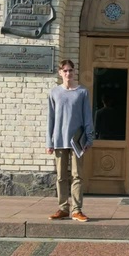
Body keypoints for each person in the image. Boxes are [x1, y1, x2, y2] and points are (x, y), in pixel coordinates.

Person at [46, 59, 94, 222]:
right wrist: (49, 142)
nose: (68, 73)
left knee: (77, 176)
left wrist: (89, 138)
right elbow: (50, 119)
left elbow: (88, 116)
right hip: (59, 140)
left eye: (70, 70)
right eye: (65, 71)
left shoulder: (82, 92)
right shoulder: (54, 93)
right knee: (61, 176)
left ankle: (77, 210)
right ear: (60, 73)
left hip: (77, 141)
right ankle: (62, 208)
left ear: (74, 72)